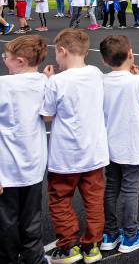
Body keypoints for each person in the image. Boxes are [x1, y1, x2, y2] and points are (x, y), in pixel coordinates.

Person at [40, 29, 109, 263]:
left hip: (65, 155)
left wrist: (48, 81)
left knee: (59, 199)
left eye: (57, 54)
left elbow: (47, 115)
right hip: (94, 152)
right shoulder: (96, 73)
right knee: (94, 200)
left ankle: (69, 245)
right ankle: (92, 245)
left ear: (62, 51)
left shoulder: (57, 81)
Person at [99, 35, 139, 254]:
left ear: (105, 61)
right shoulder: (138, 82)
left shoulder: (102, 81)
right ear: (131, 54)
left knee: (112, 186)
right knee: (130, 188)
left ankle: (110, 232)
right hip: (132, 145)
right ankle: (131, 235)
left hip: (109, 144)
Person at [0, 35, 48, 264]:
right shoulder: (45, 83)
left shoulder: (3, 85)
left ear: (19, 61)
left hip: (6, 169)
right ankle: (34, 258)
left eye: (6, 57)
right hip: (33, 166)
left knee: (6, 221)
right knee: (32, 220)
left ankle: (9, 258)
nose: (3, 59)